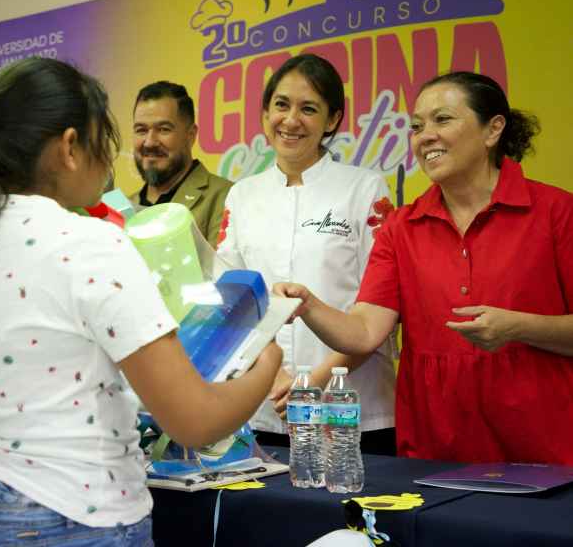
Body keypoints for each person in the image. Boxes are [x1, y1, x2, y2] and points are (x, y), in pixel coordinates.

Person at [0, 57, 282, 546]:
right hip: (71, 514)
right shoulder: (91, 243)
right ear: (69, 147)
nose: (111, 161)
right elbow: (193, 420)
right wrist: (266, 361)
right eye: (105, 140)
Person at [276, 71, 573, 465]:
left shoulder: (556, 212)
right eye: (416, 126)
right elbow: (365, 331)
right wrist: (309, 305)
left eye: (442, 119)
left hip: (547, 452)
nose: (425, 136)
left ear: (493, 129)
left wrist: (519, 327)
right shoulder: (401, 227)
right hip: (434, 456)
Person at [216, 54, 397, 455]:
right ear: (265, 114)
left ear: (332, 120)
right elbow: (230, 301)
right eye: (281, 105)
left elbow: (380, 304)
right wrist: (275, 377)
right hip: (265, 408)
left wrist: (312, 383)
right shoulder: (242, 195)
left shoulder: (365, 188)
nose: (291, 120)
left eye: (309, 108)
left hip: (352, 410)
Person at [129, 81, 232, 245]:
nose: (149, 142)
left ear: (190, 135)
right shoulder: (123, 208)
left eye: (163, 129)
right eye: (141, 130)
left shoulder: (227, 197)